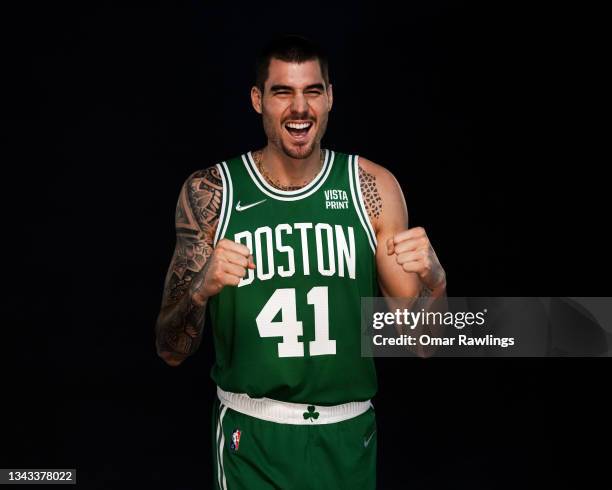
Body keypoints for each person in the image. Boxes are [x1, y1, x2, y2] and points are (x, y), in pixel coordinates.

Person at [155, 34, 447, 490]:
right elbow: (170, 349)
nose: (299, 108)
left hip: (350, 436)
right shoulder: (213, 192)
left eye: (312, 91)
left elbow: (422, 344)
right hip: (251, 438)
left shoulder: (372, 188)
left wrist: (437, 282)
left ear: (330, 97)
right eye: (282, 92)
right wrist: (199, 288)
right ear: (257, 100)